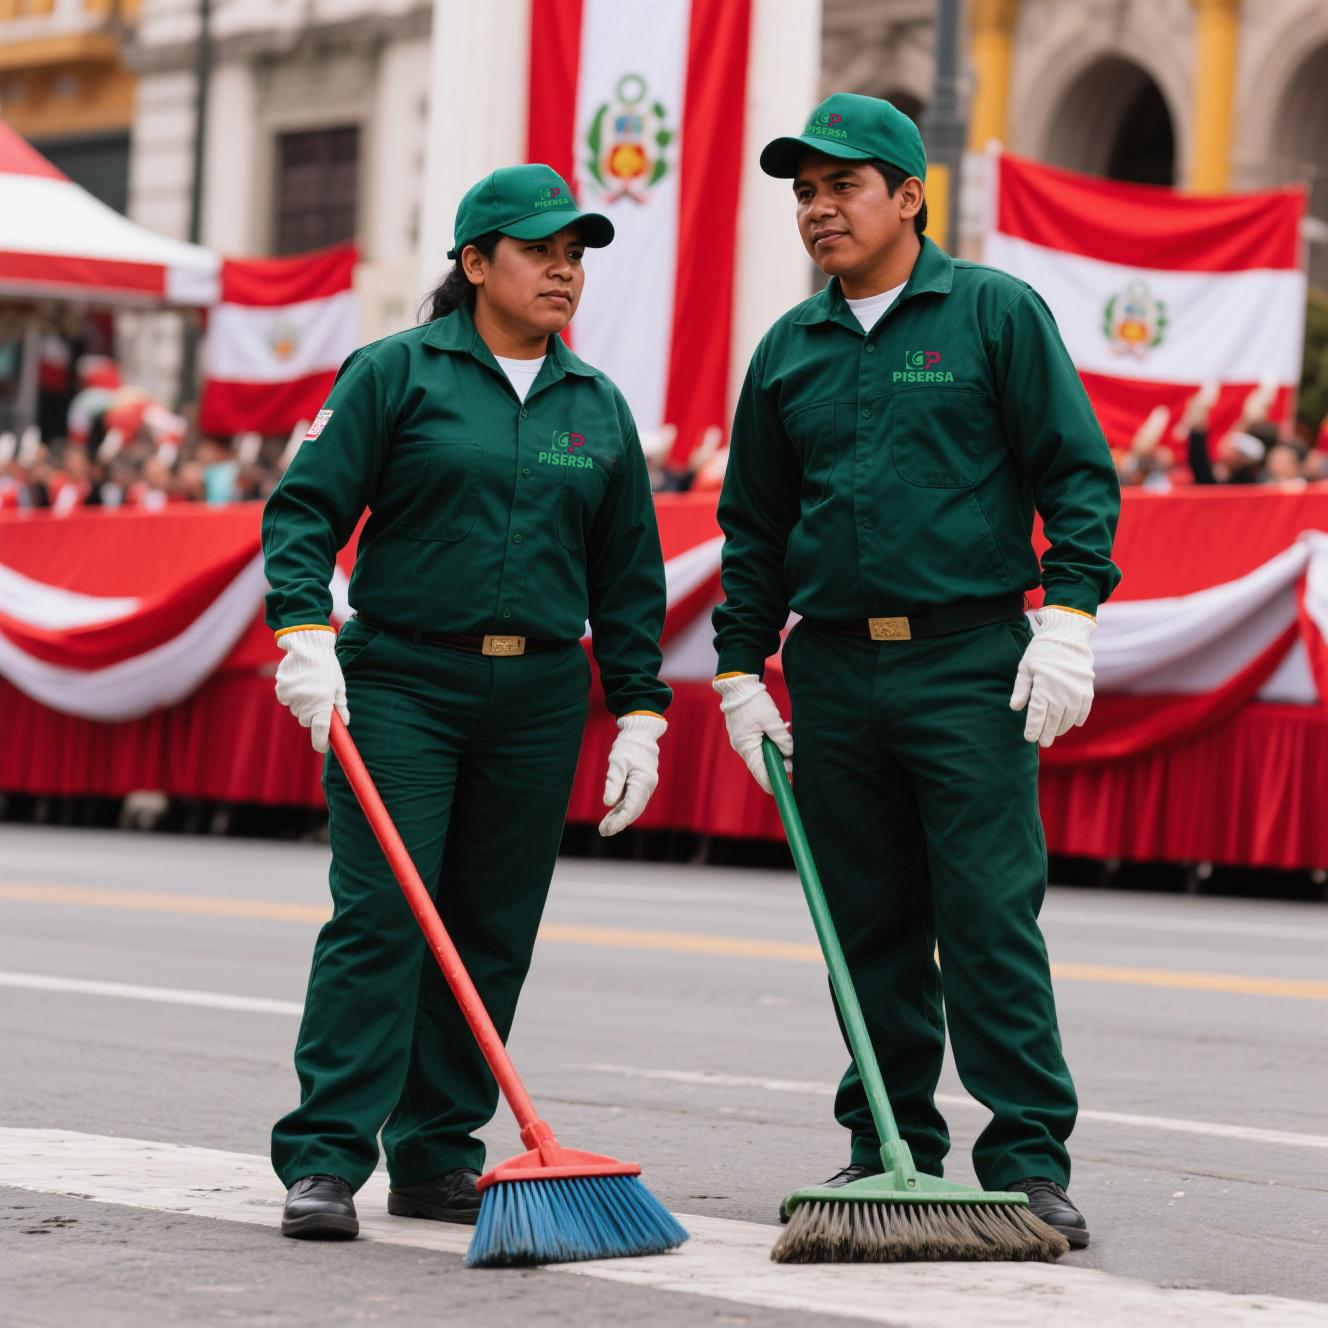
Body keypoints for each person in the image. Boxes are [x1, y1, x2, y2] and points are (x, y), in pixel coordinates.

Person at [710, 94, 1120, 1249]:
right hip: (835, 670)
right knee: (866, 923)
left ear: (907, 195)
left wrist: (1069, 617)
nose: (817, 209)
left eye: (840, 186)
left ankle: (1026, 1155)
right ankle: (884, 1140)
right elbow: (753, 525)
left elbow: (1075, 477)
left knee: (988, 915)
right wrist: (741, 668)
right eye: (801, 192)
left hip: (964, 660)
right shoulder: (787, 349)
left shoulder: (991, 312)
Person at [262, 163, 671, 1240]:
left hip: (537, 690)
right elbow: (303, 510)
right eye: (539, 251)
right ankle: (324, 1155)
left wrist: (639, 709)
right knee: (384, 918)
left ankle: (438, 1150)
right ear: (476, 262)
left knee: (491, 925)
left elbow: (628, 571)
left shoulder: (596, 405)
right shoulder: (395, 373)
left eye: (575, 255)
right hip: (405, 677)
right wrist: (304, 630)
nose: (562, 272)